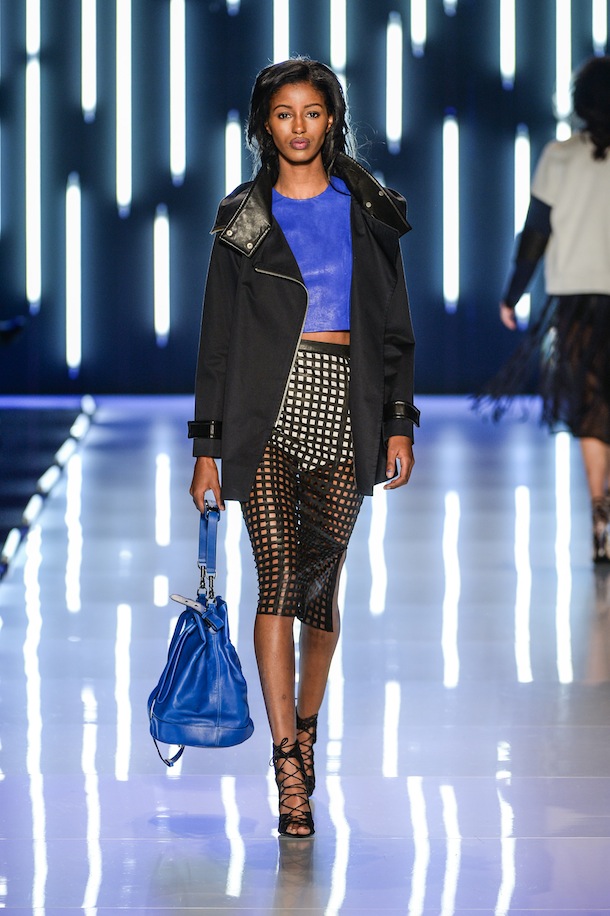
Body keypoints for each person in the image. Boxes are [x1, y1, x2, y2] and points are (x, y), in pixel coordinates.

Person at [188, 58, 419, 837]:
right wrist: (207, 448)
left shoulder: (370, 211)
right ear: (263, 124)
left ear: (332, 119)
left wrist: (399, 421)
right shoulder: (242, 218)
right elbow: (217, 339)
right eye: (283, 113)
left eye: (312, 112)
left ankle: (307, 725)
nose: (297, 126)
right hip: (266, 416)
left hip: (347, 413)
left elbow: (395, 329)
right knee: (280, 582)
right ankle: (287, 760)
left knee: (320, 597)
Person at [487, 55, 610, 563]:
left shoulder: (559, 157)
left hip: (577, 302)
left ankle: (600, 508)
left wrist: (512, 293)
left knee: (590, 406)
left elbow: (535, 234)